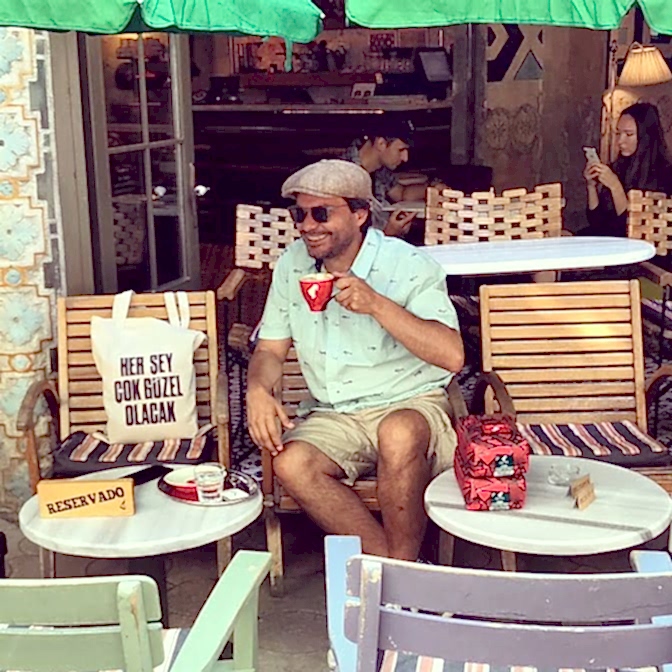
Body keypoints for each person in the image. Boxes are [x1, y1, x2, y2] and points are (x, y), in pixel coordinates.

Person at [246, 159, 464, 561]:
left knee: (398, 432)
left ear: (360, 214)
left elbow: (452, 355)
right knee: (291, 463)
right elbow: (270, 350)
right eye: (299, 214)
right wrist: (257, 389)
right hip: (336, 413)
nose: (307, 226)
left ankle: (398, 574)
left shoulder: (408, 264)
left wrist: (377, 304)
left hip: (410, 402)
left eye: (321, 213)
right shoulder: (293, 264)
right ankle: (398, 569)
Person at [584, 102, 672, 237]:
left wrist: (615, 187)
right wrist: (591, 186)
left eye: (629, 134)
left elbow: (633, 231)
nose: (620, 141)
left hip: (638, 244)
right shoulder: (619, 167)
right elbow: (596, 222)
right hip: (607, 239)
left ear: (645, 136)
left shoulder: (664, 175)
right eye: (618, 133)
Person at [343, 120, 442, 237]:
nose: (405, 158)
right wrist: (389, 234)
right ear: (381, 144)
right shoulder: (345, 175)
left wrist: (433, 188)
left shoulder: (378, 169)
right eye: (401, 150)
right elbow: (347, 237)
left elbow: (401, 193)